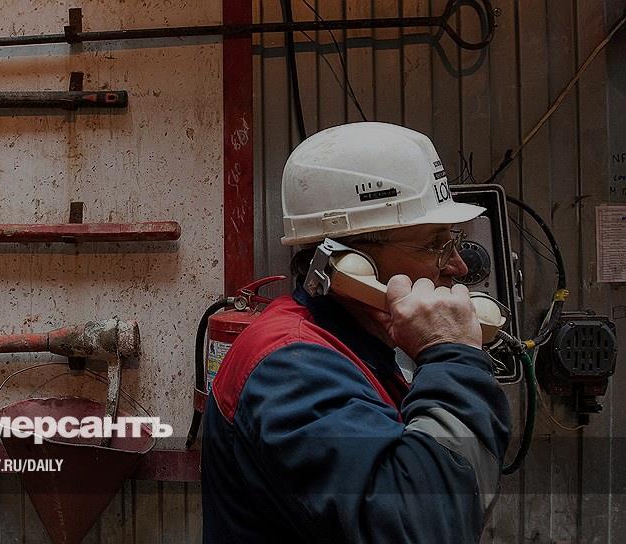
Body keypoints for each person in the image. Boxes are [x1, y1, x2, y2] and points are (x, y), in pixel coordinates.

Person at [201, 122, 511, 543]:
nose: (457, 266)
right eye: (434, 245)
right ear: (351, 265)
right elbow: (423, 527)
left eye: (452, 241)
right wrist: (452, 356)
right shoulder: (291, 371)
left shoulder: (358, 349)